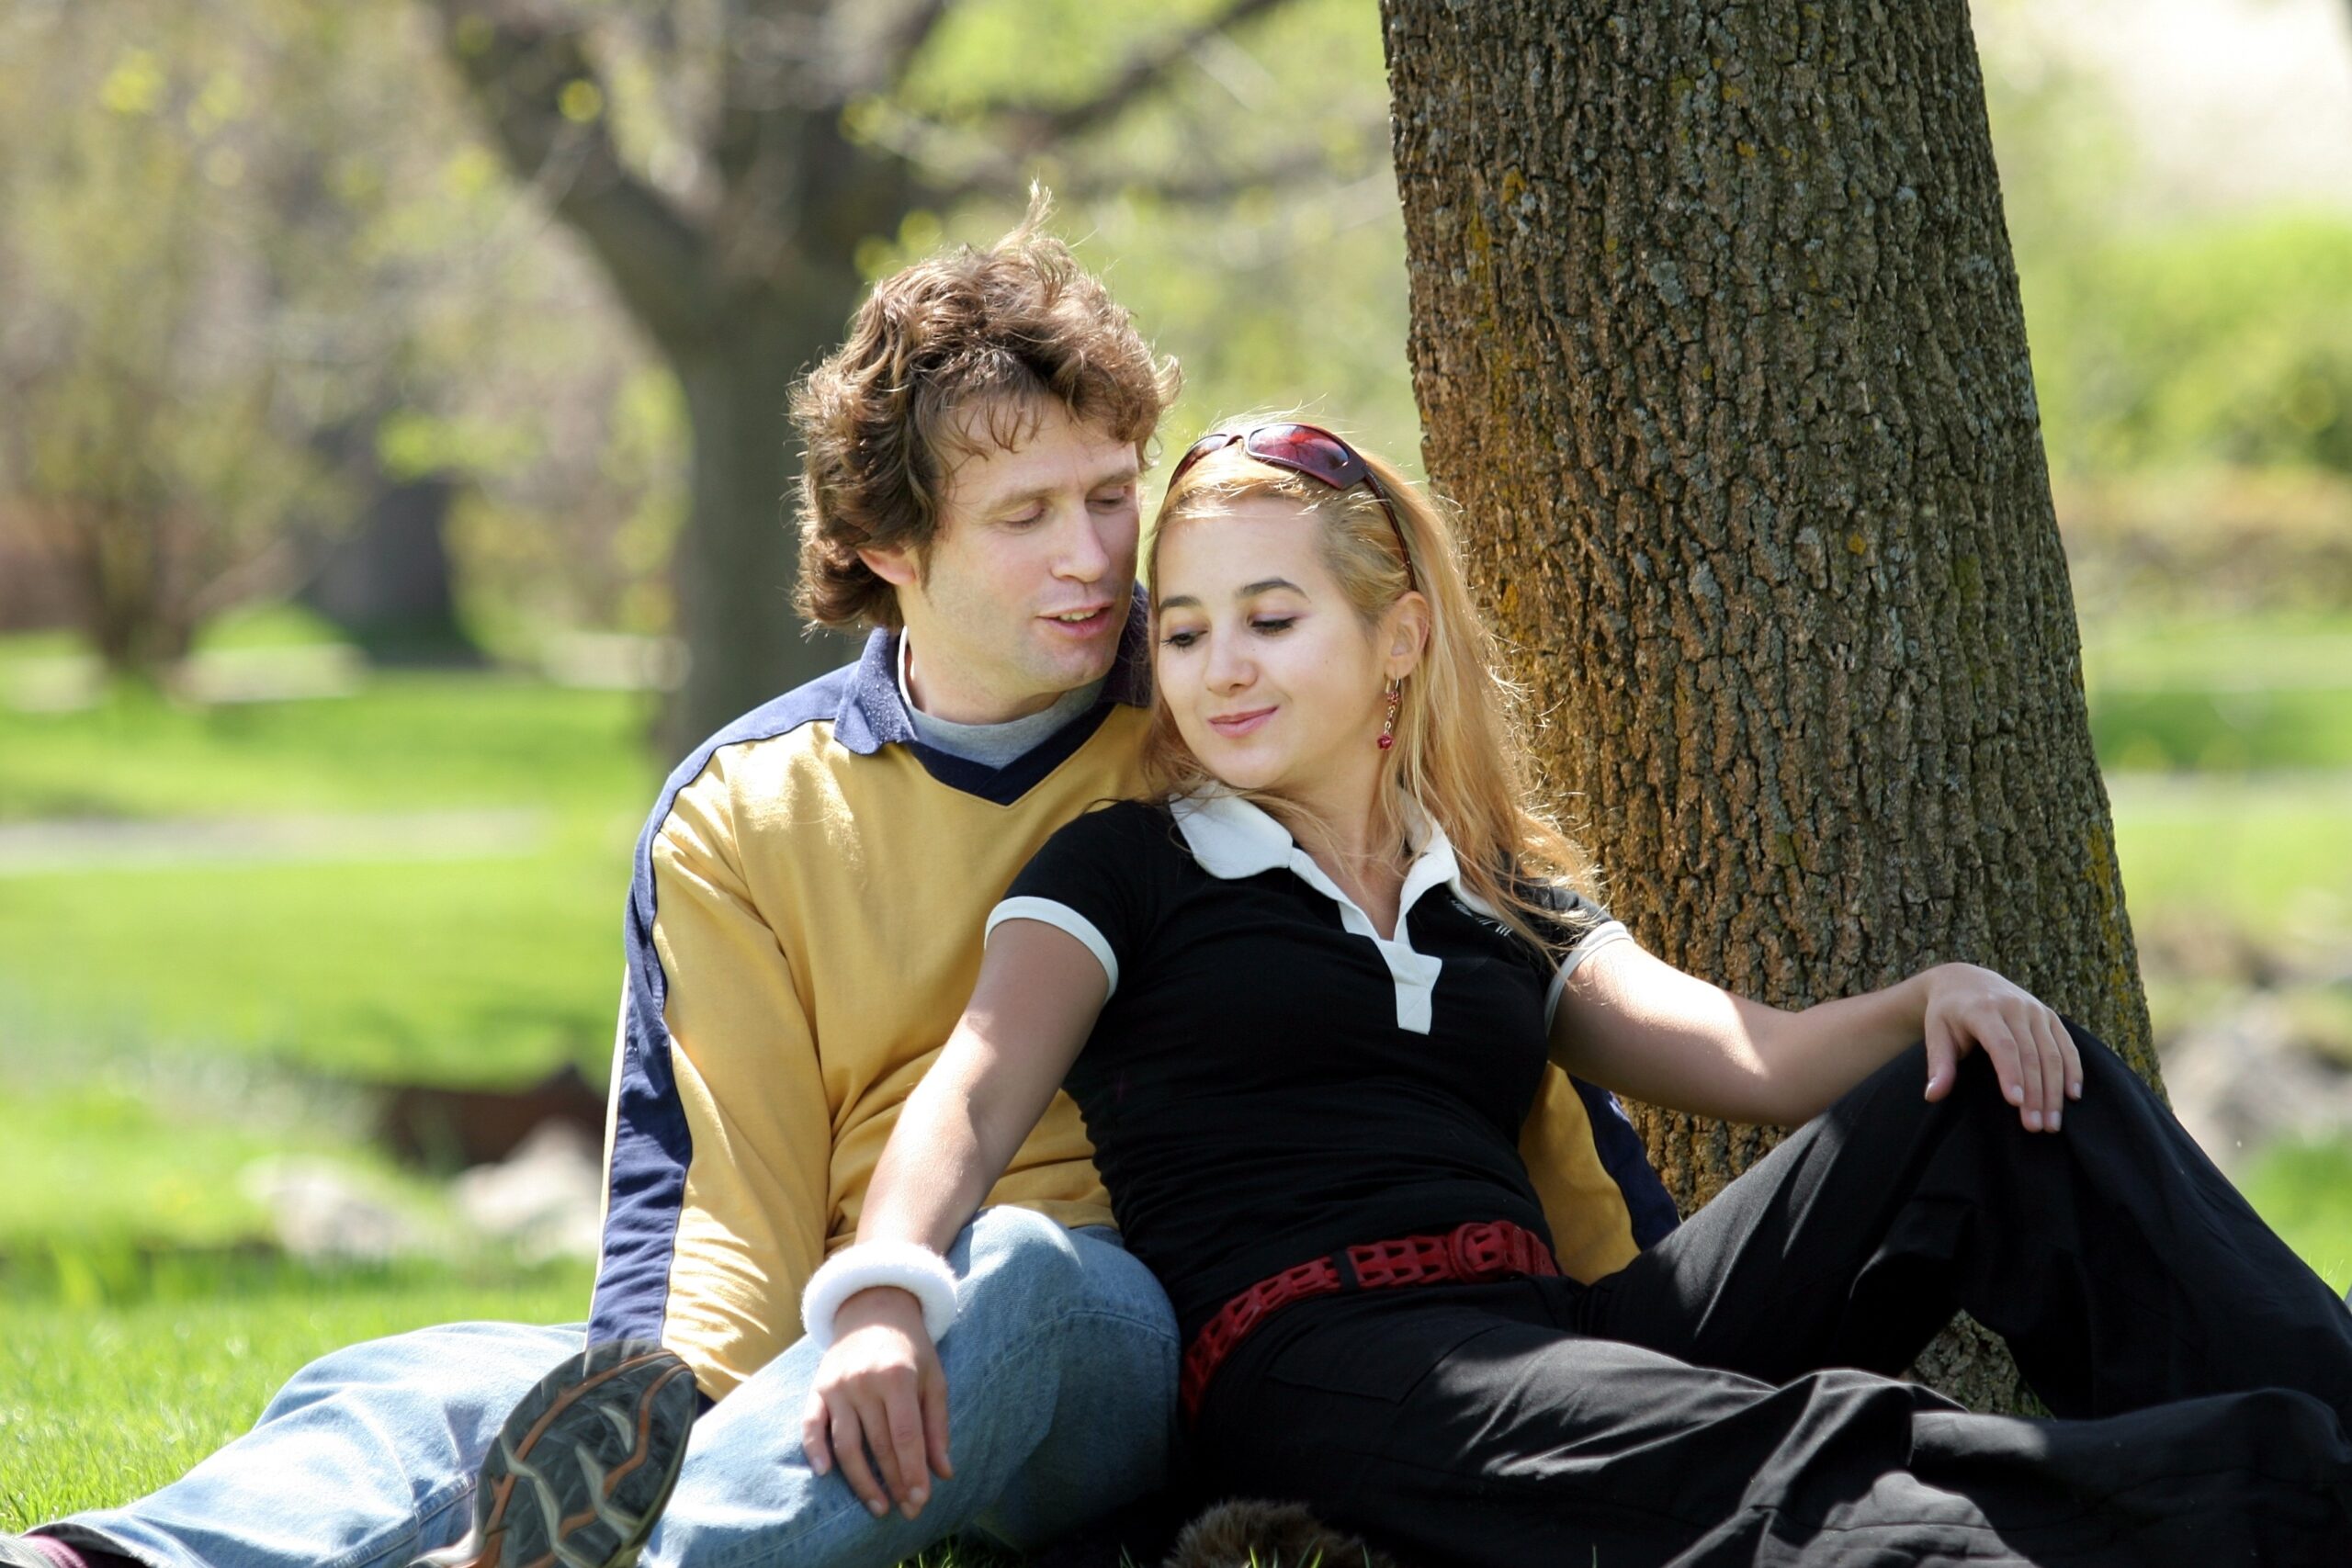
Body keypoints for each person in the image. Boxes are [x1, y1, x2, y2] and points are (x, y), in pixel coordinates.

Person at [803, 419, 2352, 1567]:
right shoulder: (1122, 867)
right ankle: (2259, 1502)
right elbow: (976, 1087)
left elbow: (1746, 1055)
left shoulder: (1491, 885)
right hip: (1322, 1369)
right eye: (1188, 631)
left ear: (1396, 640)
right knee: (1774, 1452)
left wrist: (1931, 999)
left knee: (2009, 1089)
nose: (1220, 670)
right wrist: (882, 1293)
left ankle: (2327, 1427)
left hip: (1565, 1334)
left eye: (1272, 621)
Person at [1, 207, 1256, 1568]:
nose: (1093, 556)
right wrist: (681, 1392)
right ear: (890, 545)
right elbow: (721, 1194)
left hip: (1111, 1328)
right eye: (1027, 515)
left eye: (1112, 494)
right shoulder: (741, 809)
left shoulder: (1217, 720)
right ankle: (99, 1559)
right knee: (431, 1384)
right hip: (835, 1336)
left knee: (1009, 1275)